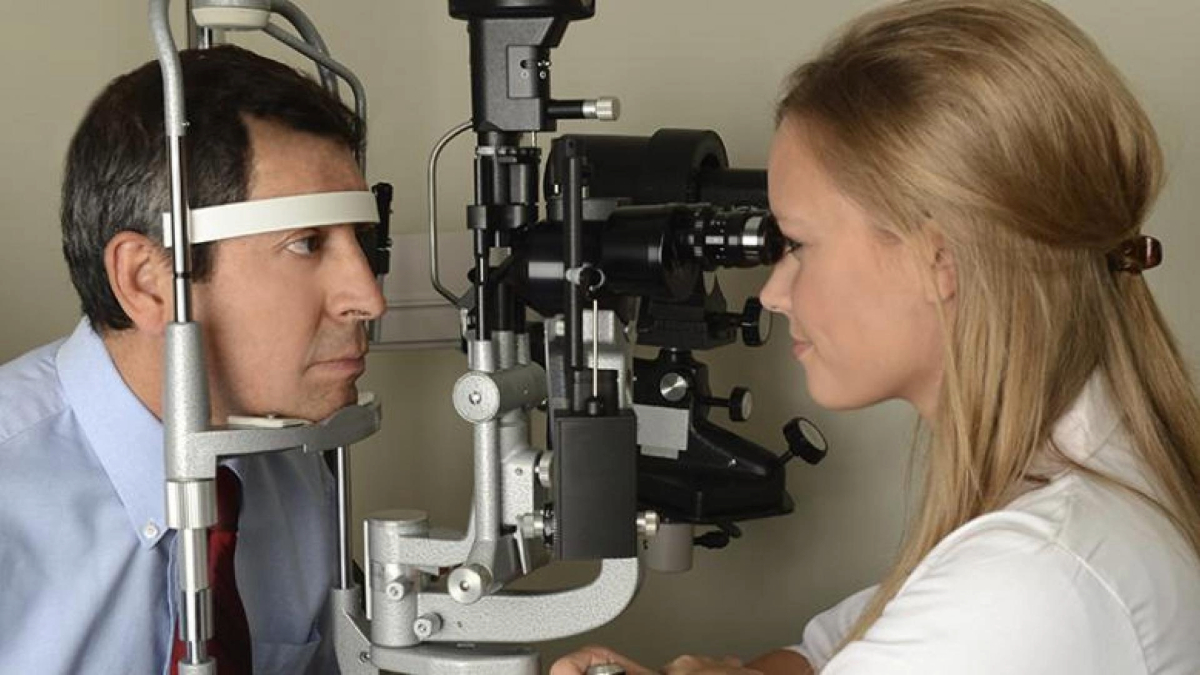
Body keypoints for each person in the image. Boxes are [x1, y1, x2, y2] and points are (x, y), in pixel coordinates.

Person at [553, 1, 1200, 673]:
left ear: (940, 259)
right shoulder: (1077, 491)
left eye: (798, 243)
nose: (773, 293)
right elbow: (838, 649)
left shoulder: (1029, 583)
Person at [0, 46, 385, 674]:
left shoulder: (292, 474)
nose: (368, 296)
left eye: (360, 242)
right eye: (307, 243)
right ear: (149, 281)